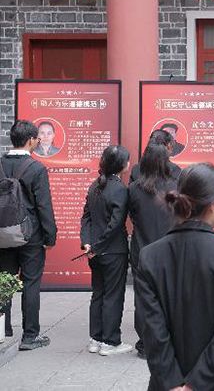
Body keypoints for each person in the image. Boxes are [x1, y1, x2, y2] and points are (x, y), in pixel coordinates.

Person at [135, 163, 214, 390]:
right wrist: (195, 384)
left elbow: (152, 328)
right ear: (213, 205)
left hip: (166, 383)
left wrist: (173, 383)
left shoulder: (149, 256)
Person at [0, 120, 57, 349]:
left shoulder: (0, 164)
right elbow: (44, 206)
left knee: (4, 281)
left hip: (3, 232)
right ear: (31, 140)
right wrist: (50, 236)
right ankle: (30, 336)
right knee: (31, 282)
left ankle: (2, 329)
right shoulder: (36, 168)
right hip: (30, 234)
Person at [80, 145, 132, 356]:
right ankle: (110, 342)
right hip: (113, 251)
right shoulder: (120, 189)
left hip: (94, 251)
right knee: (113, 295)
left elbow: (86, 218)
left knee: (98, 294)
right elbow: (116, 224)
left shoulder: (95, 185)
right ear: (122, 165)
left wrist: (87, 244)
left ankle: (95, 339)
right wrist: (98, 246)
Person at [128, 143, 178, 358]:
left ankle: (145, 343)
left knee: (142, 298)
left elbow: (132, 216)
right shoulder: (175, 186)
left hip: (142, 248)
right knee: (169, 296)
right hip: (170, 250)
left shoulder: (134, 188)